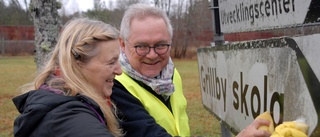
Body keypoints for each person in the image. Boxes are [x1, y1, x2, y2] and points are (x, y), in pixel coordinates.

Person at [111, 3, 272, 137]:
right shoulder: (114, 88)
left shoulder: (170, 74)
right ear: (123, 44)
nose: (152, 55)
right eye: (141, 46)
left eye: (161, 45)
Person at [12, 18, 123, 137]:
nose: (119, 71)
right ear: (78, 62)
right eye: (111, 62)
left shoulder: (58, 100)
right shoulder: (70, 118)